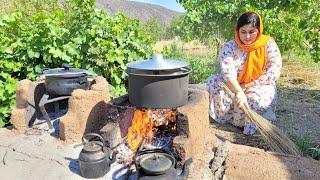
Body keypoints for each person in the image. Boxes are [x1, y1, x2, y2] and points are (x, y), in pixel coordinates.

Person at [206, 11, 282, 135]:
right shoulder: (230, 47)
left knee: (255, 100)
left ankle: (249, 124)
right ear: (237, 31)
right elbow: (227, 72)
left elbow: (274, 71)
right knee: (212, 82)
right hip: (234, 85)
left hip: (259, 85)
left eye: (252, 32)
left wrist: (247, 86)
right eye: (243, 32)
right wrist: (239, 91)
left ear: (259, 30)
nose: (247, 37)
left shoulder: (268, 44)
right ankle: (229, 119)